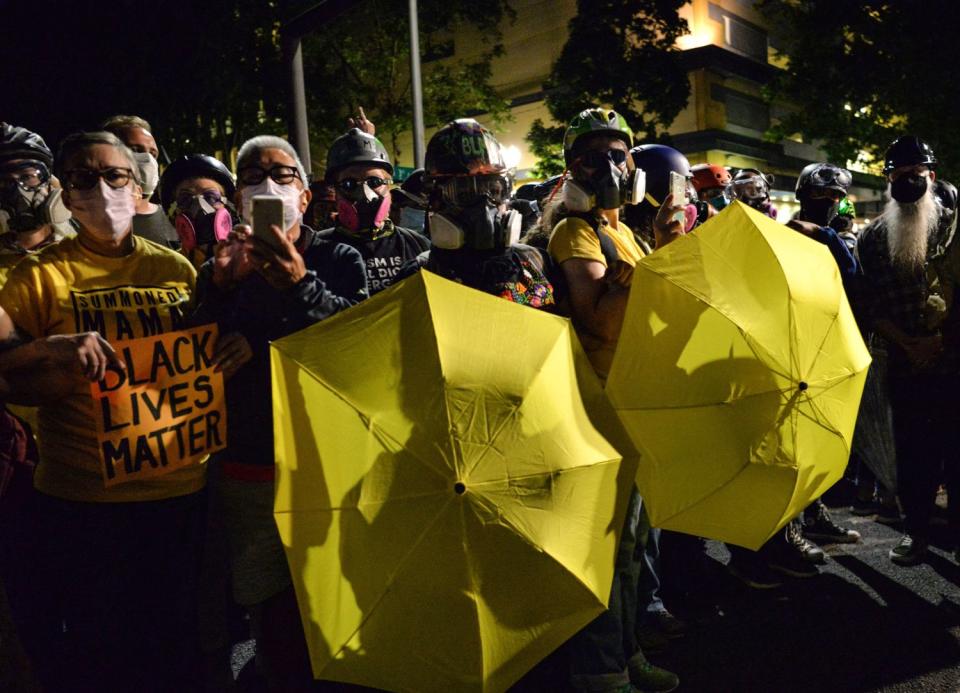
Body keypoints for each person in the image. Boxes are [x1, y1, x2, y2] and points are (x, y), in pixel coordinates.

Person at [0, 130, 248, 691]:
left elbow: (195, 354)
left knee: (178, 643)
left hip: (180, 492)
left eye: (115, 175)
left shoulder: (175, 270)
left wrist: (231, 352)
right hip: (85, 500)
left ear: (136, 187)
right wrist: (53, 352)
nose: (103, 188)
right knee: (103, 652)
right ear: (66, 192)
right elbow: (9, 375)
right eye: (85, 178)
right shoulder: (37, 276)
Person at [191, 134, 367, 690]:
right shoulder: (219, 266)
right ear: (236, 197)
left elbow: (357, 344)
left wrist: (299, 284)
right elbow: (192, 357)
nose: (268, 185)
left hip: (330, 463)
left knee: (337, 601)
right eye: (252, 175)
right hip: (249, 463)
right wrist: (218, 290)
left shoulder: (337, 257)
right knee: (269, 610)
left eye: (283, 174)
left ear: (307, 195)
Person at [546, 108, 681, 693]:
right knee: (606, 549)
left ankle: (625, 655)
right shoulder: (574, 231)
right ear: (571, 169)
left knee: (631, 549)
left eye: (618, 153)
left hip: (635, 400)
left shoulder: (621, 229)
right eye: (591, 156)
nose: (608, 165)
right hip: (602, 408)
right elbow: (599, 319)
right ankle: (599, 670)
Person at [857, 135, 960, 566]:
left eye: (915, 175)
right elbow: (871, 302)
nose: (907, 183)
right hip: (905, 364)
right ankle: (916, 533)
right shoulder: (875, 237)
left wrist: (940, 340)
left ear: (931, 177)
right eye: (898, 176)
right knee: (914, 455)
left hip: (953, 360)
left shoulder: (955, 228)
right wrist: (909, 344)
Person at [398, 118, 558, 310]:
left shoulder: (536, 261)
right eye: (464, 192)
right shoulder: (419, 277)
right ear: (435, 199)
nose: (484, 206)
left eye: (494, 188)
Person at [318, 128, 428, 295]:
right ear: (336, 191)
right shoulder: (317, 251)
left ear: (389, 185)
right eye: (349, 184)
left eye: (374, 181)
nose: (364, 193)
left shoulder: (418, 246)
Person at [0, 123, 73, 285]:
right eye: (4, 182)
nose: (19, 192)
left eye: (27, 177)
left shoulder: (82, 250)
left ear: (49, 183)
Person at [102, 114, 179, 247]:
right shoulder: (89, 221)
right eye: (136, 150)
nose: (148, 159)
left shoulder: (174, 220)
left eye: (153, 153)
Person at [159, 154, 238, 269]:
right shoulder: (168, 268)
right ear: (173, 215)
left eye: (210, 197)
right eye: (185, 199)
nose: (199, 207)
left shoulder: (247, 262)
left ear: (228, 207)